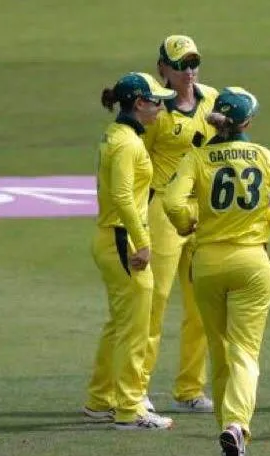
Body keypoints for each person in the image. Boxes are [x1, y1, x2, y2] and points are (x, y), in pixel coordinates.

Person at [164, 87, 270, 456]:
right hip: (252, 263)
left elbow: (172, 201)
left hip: (207, 263)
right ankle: (237, 425)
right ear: (249, 121)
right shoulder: (265, 156)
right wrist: (260, 218)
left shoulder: (198, 156)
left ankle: (228, 430)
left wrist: (188, 223)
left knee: (219, 351)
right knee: (245, 352)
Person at [83, 72, 176, 430]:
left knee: (119, 325)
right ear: (139, 104)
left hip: (112, 238)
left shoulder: (118, 136)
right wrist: (144, 242)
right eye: (156, 102)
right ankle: (129, 409)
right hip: (123, 241)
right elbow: (123, 196)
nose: (161, 107)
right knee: (134, 329)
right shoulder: (128, 144)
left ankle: (99, 400)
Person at [140, 34, 218, 413]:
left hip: (202, 212)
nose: (189, 71)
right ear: (163, 69)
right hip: (162, 212)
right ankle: (136, 389)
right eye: (180, 64)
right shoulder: (156, 112)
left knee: (201, 304)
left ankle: (189, 388)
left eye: (193, 62)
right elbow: (137, 166)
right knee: (155, 301)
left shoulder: (214, 100)